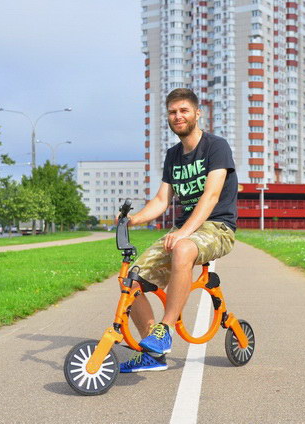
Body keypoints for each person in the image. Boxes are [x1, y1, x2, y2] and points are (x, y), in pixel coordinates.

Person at [119, 88, 238, 373]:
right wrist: (133, 219)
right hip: (187, 228)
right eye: (172, 112)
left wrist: (184, 232)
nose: (178, 116)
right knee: (130, 280)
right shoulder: (173, 155)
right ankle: (153, 351)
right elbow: (162, 200)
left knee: (182, 248)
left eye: (184, 110)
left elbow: (211, 196)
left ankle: (165, 329)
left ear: (197, 113)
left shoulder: (216, 147)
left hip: (218, 227)